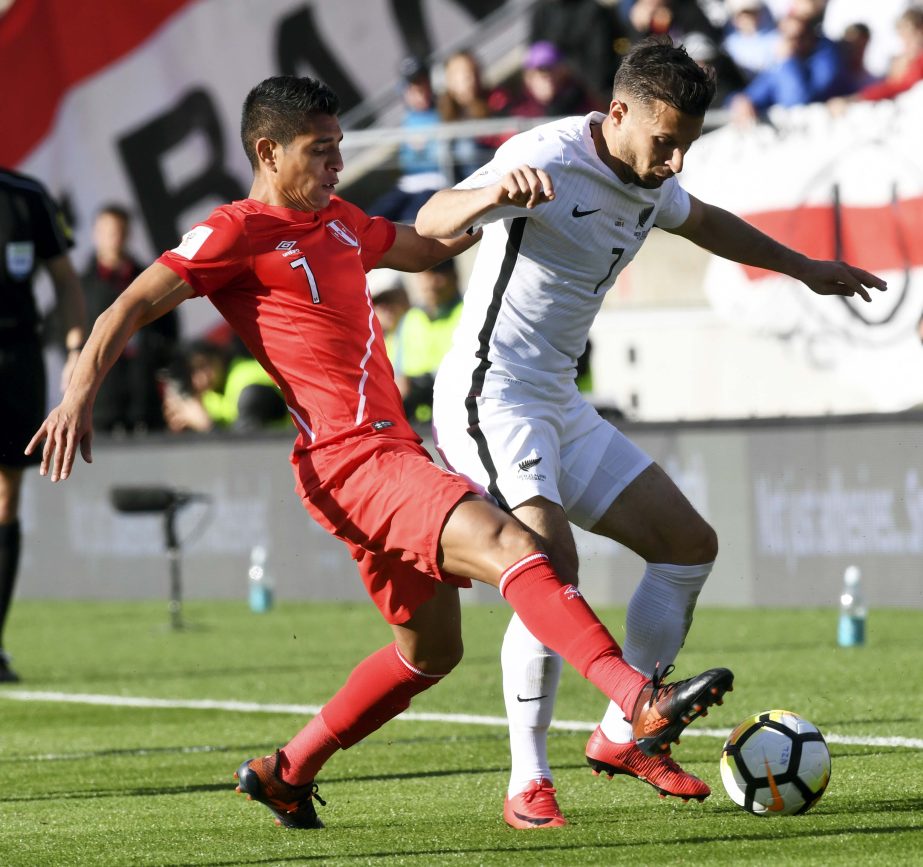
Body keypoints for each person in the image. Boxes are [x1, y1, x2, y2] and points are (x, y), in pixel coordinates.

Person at [26, 74, 735, 829]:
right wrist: (76, 393)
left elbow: (432, 243)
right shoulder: (233, 231)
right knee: (511, 542)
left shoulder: (340, 221)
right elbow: (130, 302)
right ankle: (635, 699)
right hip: (349, 457)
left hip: (384, 453)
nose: (336, 164)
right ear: (267, 151)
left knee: (430, 651)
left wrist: (499, 196)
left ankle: (287, 770)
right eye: (321, 150)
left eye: (337, 148)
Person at [415, 36, 886, 829]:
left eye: (685, 146)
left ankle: (620, 734)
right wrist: (487, 194)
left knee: (686, 544)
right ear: (618, 111)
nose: (673, 162)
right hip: (489, 396)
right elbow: (429, 220)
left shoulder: (647, 170)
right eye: (665, 142)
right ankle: (526, 779)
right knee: (545, 563)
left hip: (558, 401)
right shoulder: (547, 156)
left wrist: (805, 267)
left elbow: (706, 224)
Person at [0, 167, 86, 682]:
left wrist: (76, 349)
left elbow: (65, 281)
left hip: (16, 356)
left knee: (7, 493)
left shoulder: (26, 196)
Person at [83, 203, 178, 433]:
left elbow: (169, 333)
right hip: (100, 403)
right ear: (96, 234)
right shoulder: (82, 288)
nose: (113, 238)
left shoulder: (149, 280)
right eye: (107, 231)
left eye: (118, 231)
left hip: (145, 401)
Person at [729, 10, 854, 122]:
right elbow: (760, 88)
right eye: (788, 37)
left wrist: (789, 61)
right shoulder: (783, 61)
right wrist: (743, 100)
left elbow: (798, 100)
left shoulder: (827, 57)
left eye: (799, 36)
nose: (793, 43)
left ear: (811, 35)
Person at [367, 56, 450, 224]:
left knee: (411, 220)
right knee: (372, 218)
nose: (419, 92)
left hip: (435, 182)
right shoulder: (408, 117)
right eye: (412, 87)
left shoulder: (444, 110)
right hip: (409, 183)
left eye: (422, 84)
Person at [160, 339, 288, 433]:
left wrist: (206, 424)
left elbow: (242, 451)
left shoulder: (250, 388)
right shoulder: (210, 393)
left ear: (217, 355)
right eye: (190, 375)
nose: (200, 379)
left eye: (203, 366)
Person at [392, 258, 464, 424]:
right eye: (425, 275)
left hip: (456, 417)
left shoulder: (469, 311)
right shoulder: (408, 319)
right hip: (416, 421)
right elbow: (399, 376)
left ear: (454, 276)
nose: (431, 283)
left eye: (438, 274)